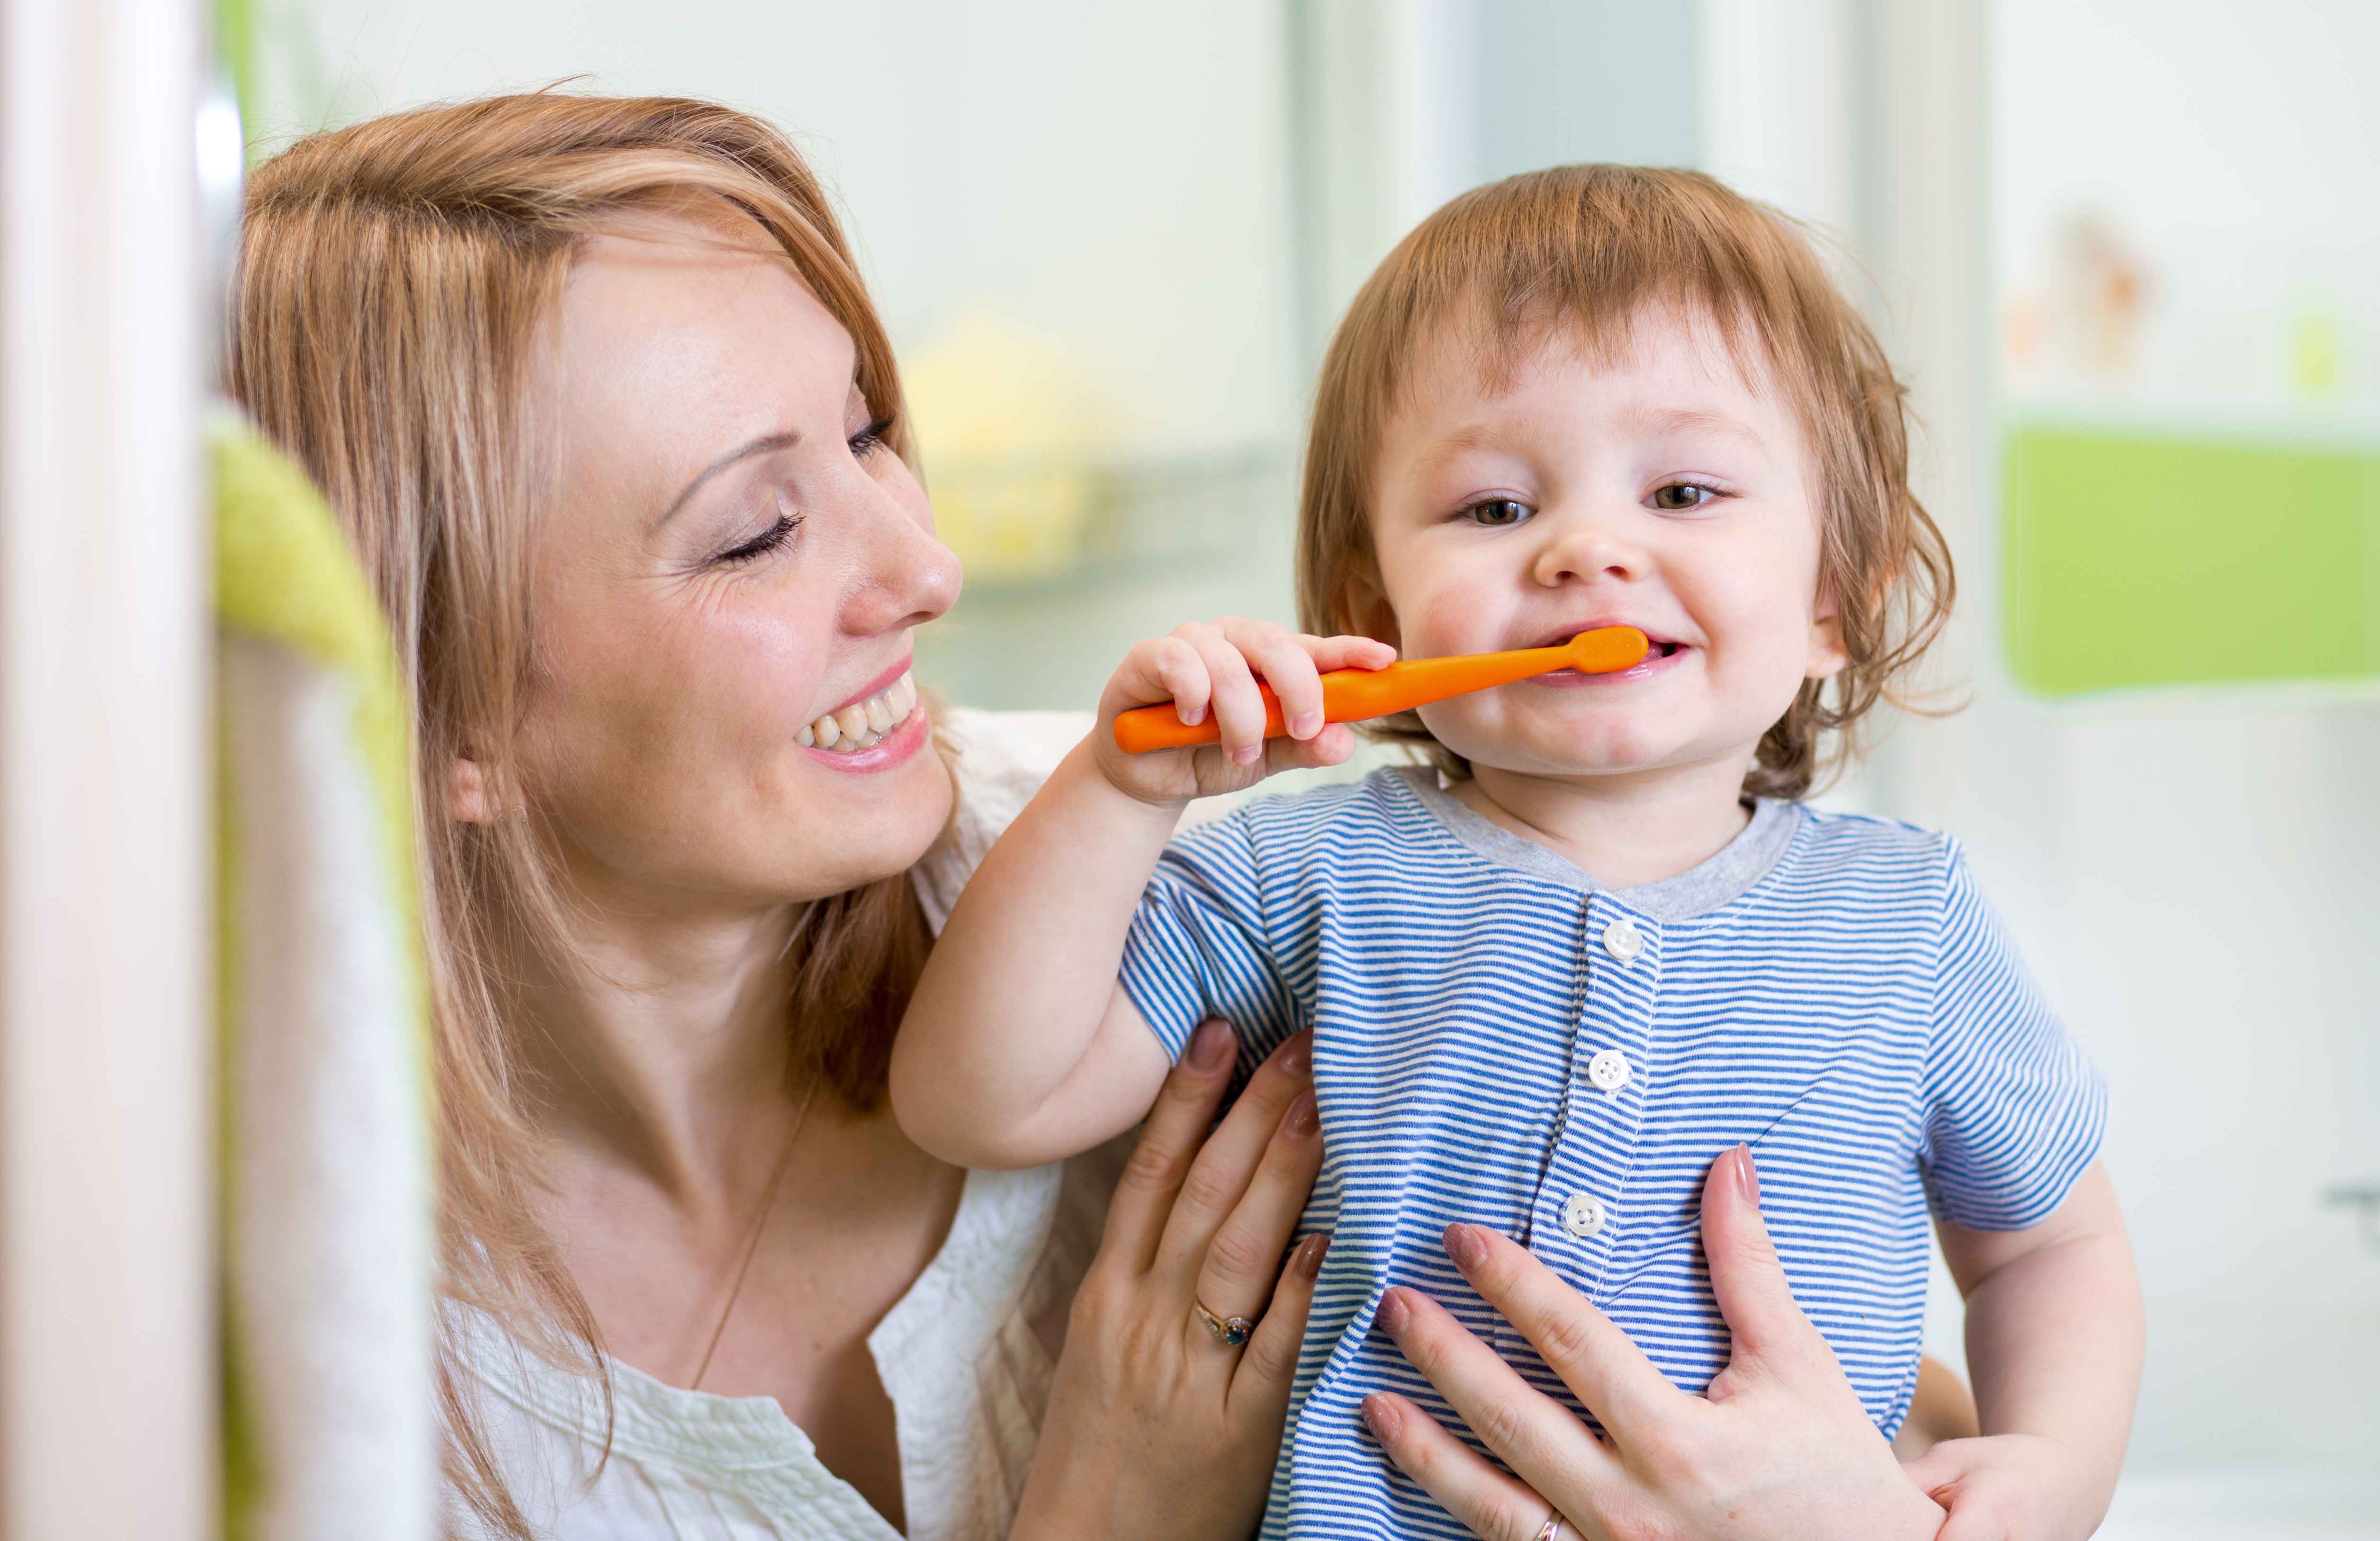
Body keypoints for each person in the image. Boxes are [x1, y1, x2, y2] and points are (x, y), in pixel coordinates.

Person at [890, 166, 2145, 1540]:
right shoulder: (1292, 874)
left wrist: (2047, 1481)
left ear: (1831, 600)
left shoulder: (1910, 921)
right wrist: (1115, 789)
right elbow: (981, 1104)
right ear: (1377, 608)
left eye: (1680, 488)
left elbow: (2048, 1249)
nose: (1585, 551)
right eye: (1494, 508)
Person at [226, 94, 1327, 1541]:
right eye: (755, 532)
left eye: (868, 435)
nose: (926, 569)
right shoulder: (258, 1350)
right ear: (442, 719)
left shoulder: (1199, 895)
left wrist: (1735, 1489)